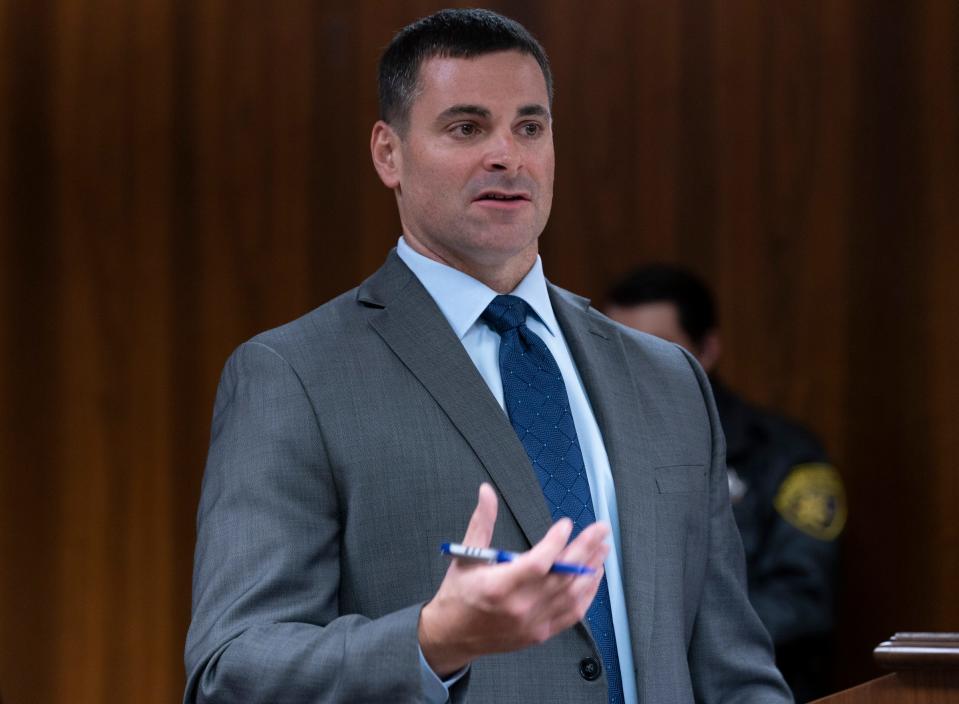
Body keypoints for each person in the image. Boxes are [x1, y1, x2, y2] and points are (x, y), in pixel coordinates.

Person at [184, 10, 792, 704]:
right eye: (466, 127)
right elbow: (230, 672)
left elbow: (732, 672)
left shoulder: (667, 378)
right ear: (388, 153)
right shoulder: (292, 376)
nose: (507, 155)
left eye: (529, 127)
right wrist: (432, 641)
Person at [606, 264, 845, 702]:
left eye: (654, 348)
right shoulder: (596, 445)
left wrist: (679, 639)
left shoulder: (782, 454)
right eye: (619, 350)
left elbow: (803, 600)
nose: (633, 369)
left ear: (708, 350)